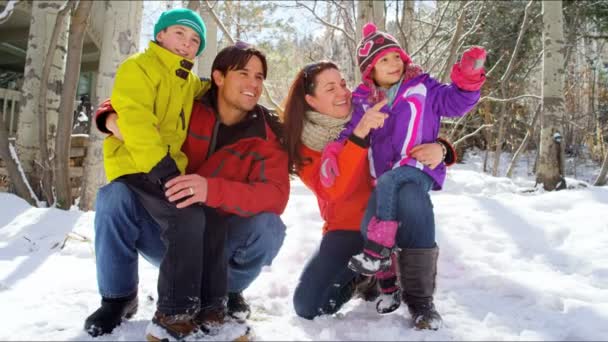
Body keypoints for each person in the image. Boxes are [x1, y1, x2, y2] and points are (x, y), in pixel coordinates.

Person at [86, 41, 289, 340]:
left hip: (221, 241)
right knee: (113, 197)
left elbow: (275, 194)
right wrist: (108, 115)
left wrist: (212, 190)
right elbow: (135, 101)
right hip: (169, 233)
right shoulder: (189, 100)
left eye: (259, 77)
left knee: (269, 227)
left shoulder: (266, 133)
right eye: (244, 74)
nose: (253, 84)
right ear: (218, 77)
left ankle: (224, 294)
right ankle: (118, 298)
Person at [324, 22, 485, 328]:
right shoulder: (363, 99)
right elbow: (350, 131)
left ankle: (421, 302)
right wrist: (335, 150)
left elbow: (456, 102)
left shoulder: (424, 86)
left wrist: (468, 79)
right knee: (369, 220)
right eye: (384, 60)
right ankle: (388, 287)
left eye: (397, 56)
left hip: (418, 168)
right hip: (383, 178)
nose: (394, 63)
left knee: (411, 200)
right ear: (370, 69)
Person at [282, 60, 456, 328]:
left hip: (391, 218)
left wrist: (441, 149)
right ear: (311, 101)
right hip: (347, 229)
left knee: (412, 195)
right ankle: (367, 277)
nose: (343, 92)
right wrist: (359, 134)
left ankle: (420, 301)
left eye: (342, 83)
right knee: (307, 305)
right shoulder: (307, 147)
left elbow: (411, 131)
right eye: (330, 88)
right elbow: (335, 190)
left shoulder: (370, 108)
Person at [83, 7, 211, 340]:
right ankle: (118, 297)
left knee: (189, 217)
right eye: (179, 33)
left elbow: (211, 90)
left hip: (163, 175)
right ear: (161, 35)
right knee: (111, 200)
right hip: (136, 170)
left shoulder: (188, 82)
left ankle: (184, 302)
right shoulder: (138, 67)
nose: (186, 43)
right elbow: (136, 119)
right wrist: (163, 168)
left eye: (195, 39)